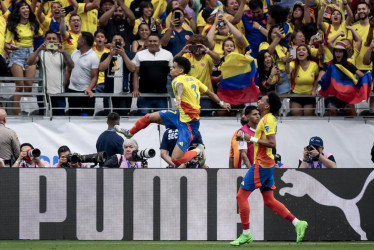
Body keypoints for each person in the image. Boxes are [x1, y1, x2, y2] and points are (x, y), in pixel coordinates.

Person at [115, 56, 230, 166]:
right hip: (179, 115)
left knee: (176, 159)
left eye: (174, 67)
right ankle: (130, 133)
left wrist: (179, 97)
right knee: (149, 117)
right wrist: (221, 103)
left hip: (189, 123)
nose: (171, 68)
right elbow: (210, 93)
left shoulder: (177, 80)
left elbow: (180, 86)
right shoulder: (195, 80)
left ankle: (199, 150)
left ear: (180, 70)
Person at [231, 92, 308, 246]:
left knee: (241, 196)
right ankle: (297, 223)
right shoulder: (267, 119)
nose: (258, 100)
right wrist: (247, 138)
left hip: (263, 164)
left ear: (267, 106)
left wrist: (249, 138)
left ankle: (246, 234)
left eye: (262, 100)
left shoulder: (268, 120)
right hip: (266, 163)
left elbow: (272, 144)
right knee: (269, 200)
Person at [5, 0, 43, 115]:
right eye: (23, 8)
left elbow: (42, 35)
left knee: (29, 86)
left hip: (30, 54)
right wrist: (12, 48)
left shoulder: (33, 24)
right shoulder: (13, 26)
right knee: (19, 86)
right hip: (17, 55)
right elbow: (6, 44)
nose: (26, 10)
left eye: (27, 7)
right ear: (18, 11)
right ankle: (17, 113)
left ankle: (29, 113)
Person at [26, 31, 74, 116]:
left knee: (60, 117)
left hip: (59, 92)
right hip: (43, 92)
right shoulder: (41, 53)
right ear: (45, 40)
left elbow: (71, 66)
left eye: (54, 38)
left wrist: (63, 52)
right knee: (42, 117)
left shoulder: (64, 53)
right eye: (49, 39)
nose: (51, 40)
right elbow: (29, 62)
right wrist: (38, 49)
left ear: (58, 40)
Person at [131, 34, 173, 116]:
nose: (152, 43)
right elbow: (135, 73)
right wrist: (135, 89)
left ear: (159, 42)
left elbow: (172, 74)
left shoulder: (168, 54)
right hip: (144, 95)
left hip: (162, 95)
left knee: (162, 120)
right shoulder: (139, 54)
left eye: (155, 41)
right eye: (150, 41)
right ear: (146, 43)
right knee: (144, 121)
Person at [318, 41, 364, 116]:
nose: (338, 54)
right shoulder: (328, 64)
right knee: (332, 110)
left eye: (340, 52)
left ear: (344, 54)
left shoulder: (349, 64)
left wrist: (363, 84)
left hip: (345, 95)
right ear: (334, 53)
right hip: (331, 96)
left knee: (351, 109)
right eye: (336, 51)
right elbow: (320, 77)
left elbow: (361, 75)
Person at [99, 34, 136, 115]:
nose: (117, 42)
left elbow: (132, 69)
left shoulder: (131, 55)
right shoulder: (106, 55)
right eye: (115, 40)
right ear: (111, 43)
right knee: (108, 114)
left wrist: (123, 55)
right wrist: (111, 55)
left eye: (120, 40)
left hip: (124, 92)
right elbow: (101, 68)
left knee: (123, 114)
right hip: (109, 91)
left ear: (124, 43)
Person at [67, 31, 100, 116]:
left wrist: (89, 89)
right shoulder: (74, 52)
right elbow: (69, 70)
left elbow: (95, 77)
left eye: (78, 40)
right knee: (73, 117)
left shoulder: (94, 57)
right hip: (72, 91)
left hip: (86, 93)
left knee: (86, 118)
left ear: (83, 42)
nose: (77, 41)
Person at [285, 45, 319, 116]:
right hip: (296, 95)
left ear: (308, 54)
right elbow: (288, 71)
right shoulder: (293, 64)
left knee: (308, 113)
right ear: (296, 54)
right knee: (296, 113)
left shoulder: (314, 65)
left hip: (309, 96)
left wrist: (314, 90)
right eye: (299, 50)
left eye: (304, 50)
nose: (301, 51)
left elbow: (316, 79)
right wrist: (287, 62)